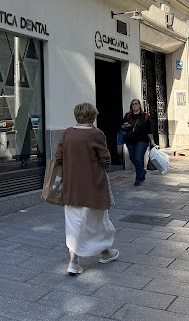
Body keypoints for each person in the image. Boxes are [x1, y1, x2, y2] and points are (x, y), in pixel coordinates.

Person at [54, 102, 118, 276]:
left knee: (73, 224)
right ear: (93, 116)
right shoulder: (96, 134)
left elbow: (58, 157)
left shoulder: (68, 133)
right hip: (93, 185)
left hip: (71, 186)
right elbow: (105, 160)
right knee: (99, 221)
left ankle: (73, 262)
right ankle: (105, 253)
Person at [120, 99, 156, 186]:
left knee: (138, 158)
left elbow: (149, 130)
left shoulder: (145, 116)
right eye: (133, 104)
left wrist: (152, 142)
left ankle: (138, 178)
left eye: (136, 104)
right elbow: (121, 126)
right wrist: (125, 126)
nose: (134, 106)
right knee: (132, 158)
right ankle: (142, 171)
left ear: (139, 105)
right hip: (130, 140)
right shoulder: (128, 116)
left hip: (142, 140)